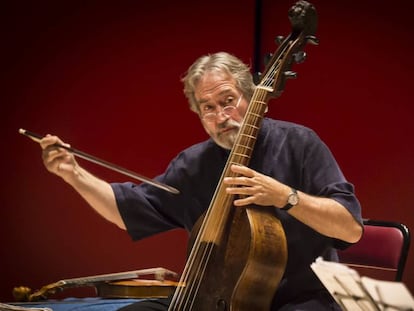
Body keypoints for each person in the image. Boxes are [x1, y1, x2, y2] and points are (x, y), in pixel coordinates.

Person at [40, 52, 363, 310]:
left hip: (299, 300)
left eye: (228, 101)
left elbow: (350, 228)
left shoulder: (299, 144)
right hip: (214, 301)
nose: (221, 116)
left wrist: (286, 197)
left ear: (250, 98)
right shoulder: (194, 164)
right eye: (208, 108)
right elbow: (128, 210)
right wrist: (74, 174)